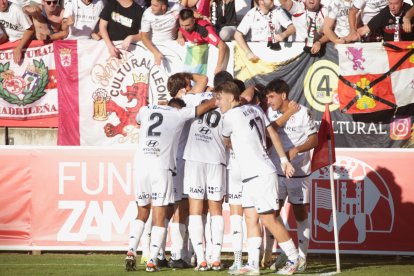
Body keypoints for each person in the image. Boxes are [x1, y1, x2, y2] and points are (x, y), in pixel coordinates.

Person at [215, 81, 300, 276]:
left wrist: (233, 144)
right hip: (254, 173)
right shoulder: (255, 109)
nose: (217, 103)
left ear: (229, 97)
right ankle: (253, 264)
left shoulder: (228, 117)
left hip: (260, 173)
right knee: (250, 218)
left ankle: (294, 258)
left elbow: (226, 140)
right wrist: (283, 160)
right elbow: (272, 133)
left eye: (219, 98)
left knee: (269, 219)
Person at [125, 96, 216, 272]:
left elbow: (137, 119)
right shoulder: (179, 114)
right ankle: (151, 261)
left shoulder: (147, 110)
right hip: (161, 168)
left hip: (140, 166)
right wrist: (217, 97)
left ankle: (130, 250)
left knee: (142, 212)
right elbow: (207, 107)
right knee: (159, 215)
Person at [265, 79, 318, 273]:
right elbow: (266, 135)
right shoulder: (269, 113)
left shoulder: (303, 112)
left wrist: (297, 149)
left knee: (300, 213)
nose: (269, 101)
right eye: (267, 97)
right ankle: (285, 252)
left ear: (283, 95)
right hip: (275, 172)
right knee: (271, 213)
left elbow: (314, 139)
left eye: (272, 96)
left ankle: (302, 258)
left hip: (299, 173)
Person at [166, 72, 209, 269]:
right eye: (188, 83)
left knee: (174, 207)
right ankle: (180, 253)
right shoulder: (189, 99)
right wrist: (187, 76)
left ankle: (169, 252)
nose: (193, 85)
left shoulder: (171, 104)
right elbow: (204, 79)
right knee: (184, 207)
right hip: (185, 159)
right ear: (184, 88)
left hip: (173, 159)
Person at [177, 8, 229, 74]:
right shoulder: (183, 27)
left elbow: (222, 46)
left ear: (193, 21)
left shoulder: (204, 30)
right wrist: (180, 36)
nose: (184, 28)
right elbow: (180, 30)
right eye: (182, 25)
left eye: (187, 25)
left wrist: (218, 66)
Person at [141, 0, 181, 65]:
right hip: (154, 47)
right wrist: (156, 53)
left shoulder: (176, 7)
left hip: (173, 47)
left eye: (155, 5)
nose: (151, 7)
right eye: (151, 4)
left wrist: (180, 36)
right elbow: (143, 36)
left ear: (163, 7)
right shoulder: (147, 13)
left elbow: (187, 19)